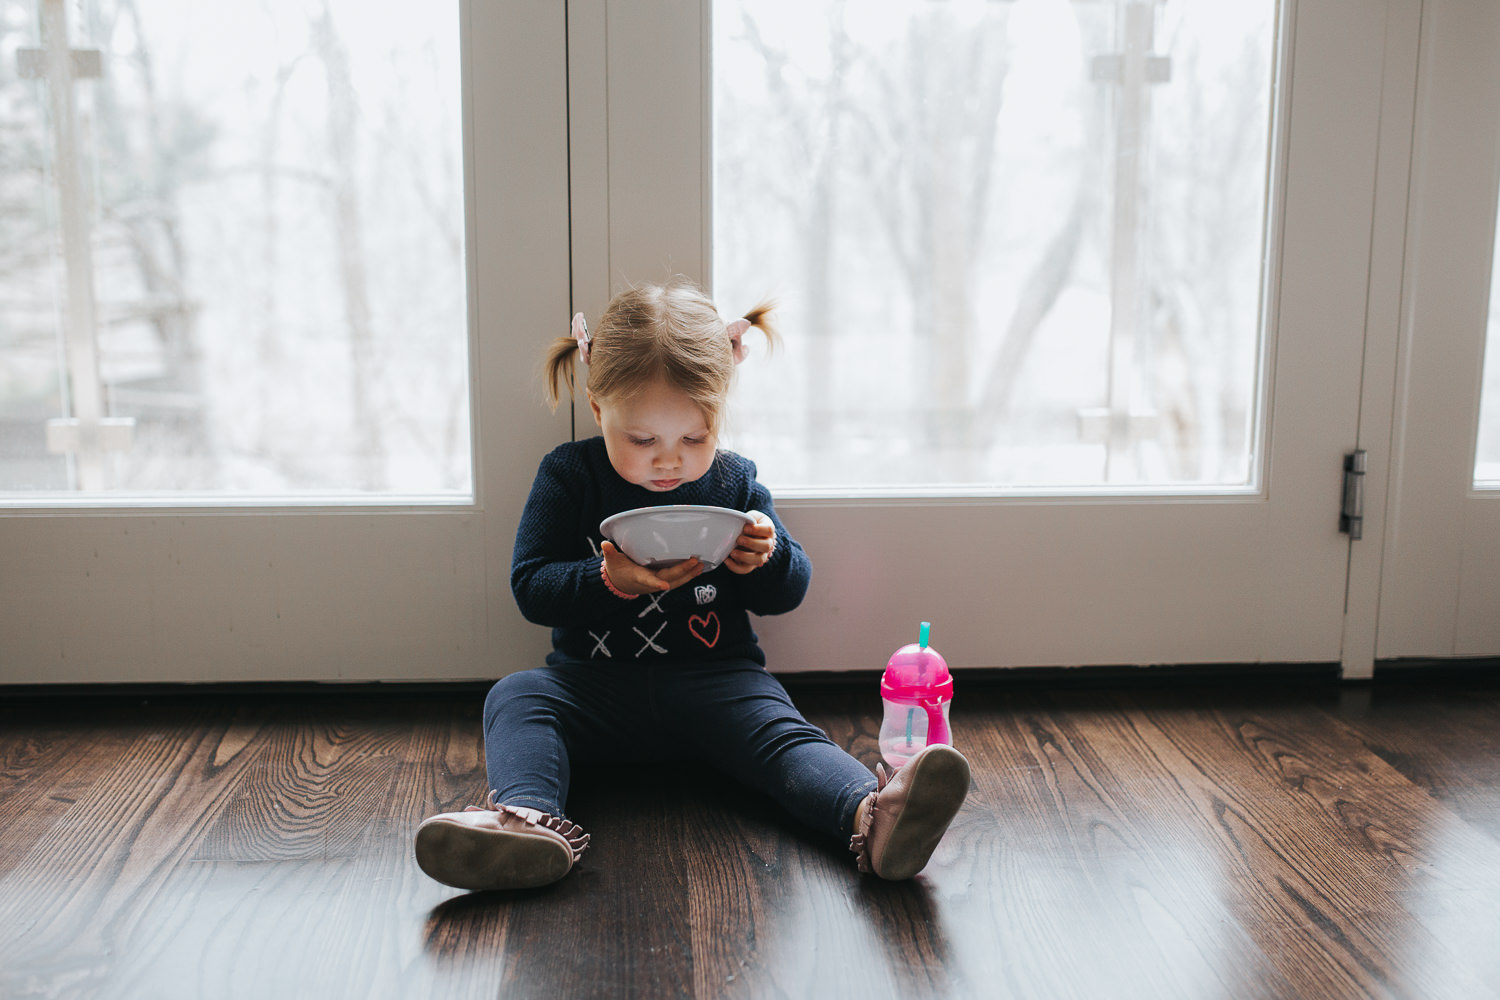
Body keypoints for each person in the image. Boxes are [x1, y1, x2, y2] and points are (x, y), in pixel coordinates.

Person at [413, 278, 969, 891]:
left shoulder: (734, 483)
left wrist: (767, 555)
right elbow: (530, 586)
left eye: (694, 438)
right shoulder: (570, 476)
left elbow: (789, 594)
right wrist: (607, 580)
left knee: (785, 735)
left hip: (720, 687)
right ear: (600, 411)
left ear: (718, 419)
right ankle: (525, 824)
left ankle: (874, 815)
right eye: (642, 440)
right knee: (516, 696)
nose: (669, 460)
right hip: (594, 690)